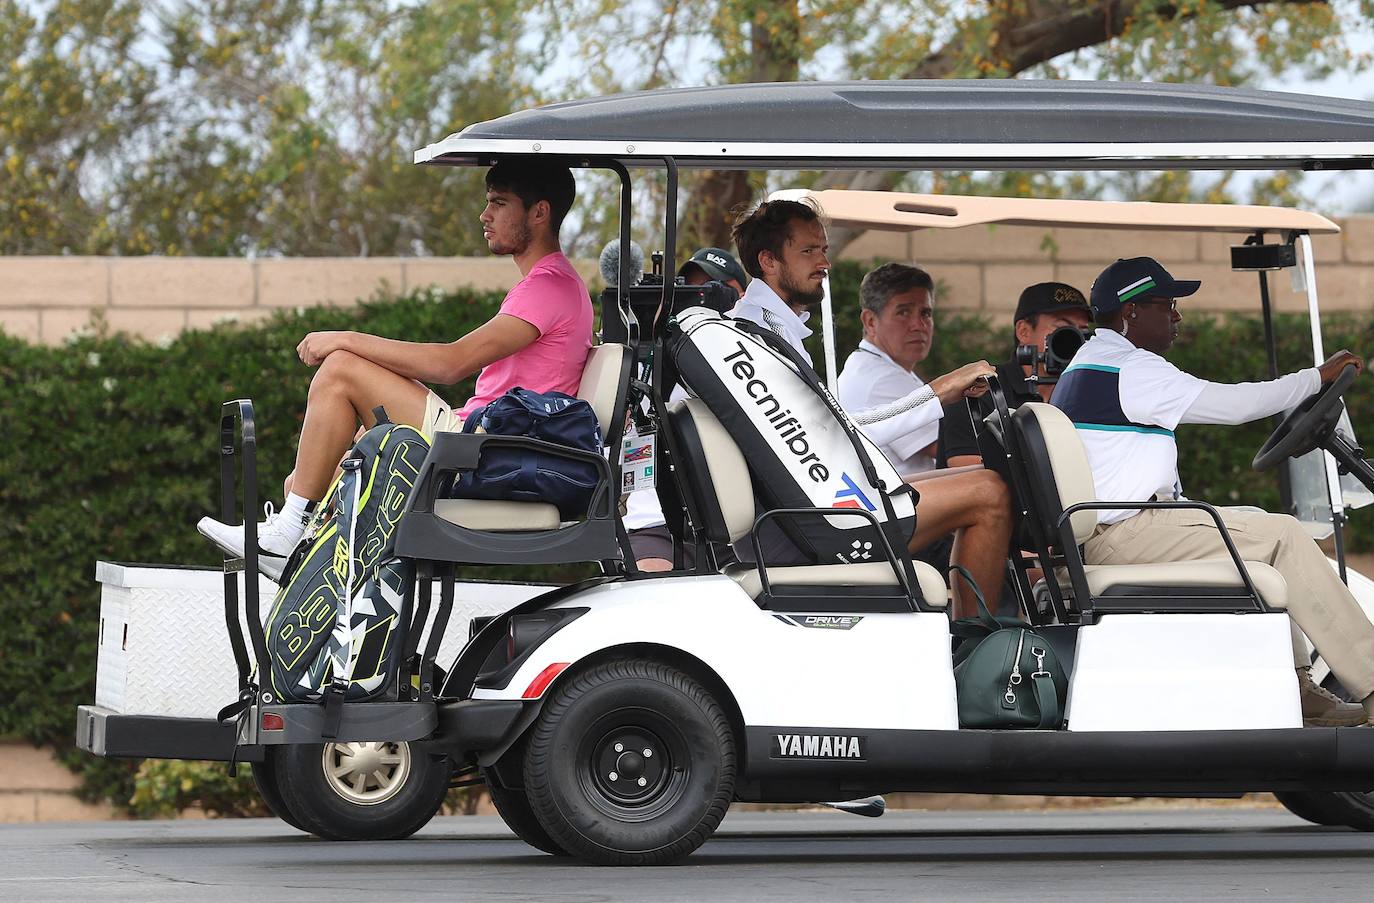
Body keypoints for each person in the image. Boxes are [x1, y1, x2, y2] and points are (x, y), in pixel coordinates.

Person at [197, 160, 593, 575]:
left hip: (491, 451)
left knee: (341, 370)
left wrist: (345, 338)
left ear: (539, 212)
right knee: (313, 476)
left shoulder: (549, 286)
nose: (485, 214)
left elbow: (451, 362)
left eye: (499, 203)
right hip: (482, 442)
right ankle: (301, 553)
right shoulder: (549, 284)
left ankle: (288, 536)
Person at [1052, 255, 1373, 727]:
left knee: (1258, 534)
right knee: (1281, 534)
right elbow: (1235, 404)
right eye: (1169, 305)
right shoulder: (1131, 368)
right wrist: (1315, 377)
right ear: (1133, 312)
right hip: (1123, 531)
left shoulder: (1091, 363)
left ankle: (1300, 692)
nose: (1178, 316)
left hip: (1110, 530)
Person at [729, 199, 1013, 619]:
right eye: (808, 251)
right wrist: (937, 392)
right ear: (768, 261)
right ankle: (977, 649)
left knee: (977, 478)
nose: (824, 262)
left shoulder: (761, 329)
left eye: (823, 249)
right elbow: (837, 435)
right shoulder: (758, 340)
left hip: (801, 509)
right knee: (991, 493)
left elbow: (824, 432)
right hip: (803, 525)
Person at [625, 247, 749, 571]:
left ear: (742, 298)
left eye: (713, 292)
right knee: (652, 599)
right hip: (655, 525)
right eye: (693, 293)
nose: (700, 305)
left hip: (732, 532)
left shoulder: (751, 363)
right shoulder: (649, 364)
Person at [837, 263, 998, 478]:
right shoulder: (881, 378)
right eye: (903, 312)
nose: (918, 324)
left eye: (926, 313)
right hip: (897, 508)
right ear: (870, 321)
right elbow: (959, 448)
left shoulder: (870, 366)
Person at [940, 282, 1094, 468]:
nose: (1075, 339)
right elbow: (965, 469)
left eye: (1083, 332)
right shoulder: (981, 388)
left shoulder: (1085, 395)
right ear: (1024, 331)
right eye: (1063, 329)